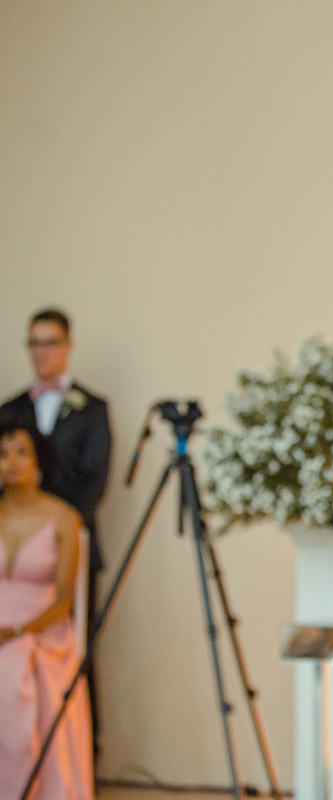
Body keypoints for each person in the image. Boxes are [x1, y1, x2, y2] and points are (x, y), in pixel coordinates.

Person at [0, 308, 112, 753]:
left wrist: (54, 527)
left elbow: (94, 480)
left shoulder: (92, 409)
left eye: (50, 342)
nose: (42, 351)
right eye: (35, 343)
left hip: (61, 546)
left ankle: (80, 754)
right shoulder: (9, 409)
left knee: (81, 655)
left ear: (68, 347)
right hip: (10, 546)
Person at [0, 418, 93, 800]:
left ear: (38, 460)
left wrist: (17, 632)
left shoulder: (63, 518)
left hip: (42, 629)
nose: (12, 462)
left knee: (13, 666)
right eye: (3, 454)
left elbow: (64, 600)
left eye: (21, 452)